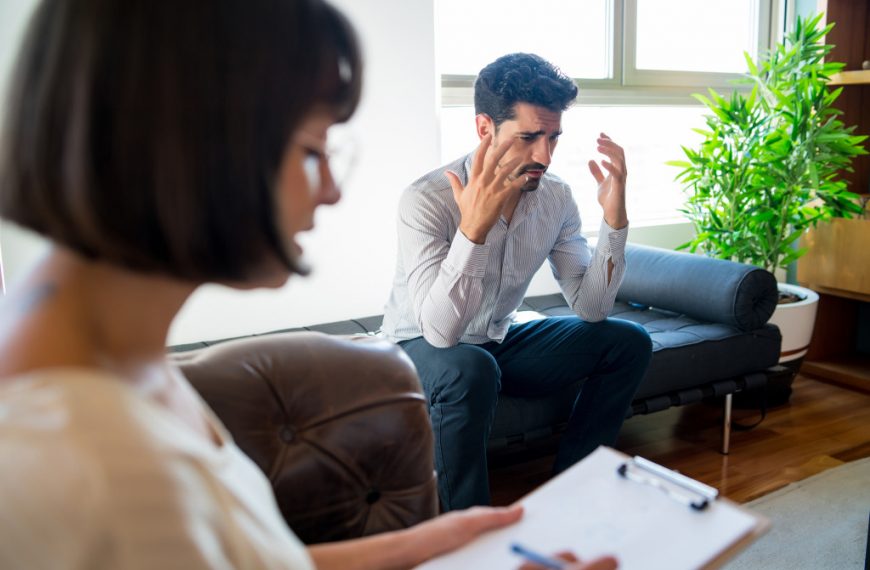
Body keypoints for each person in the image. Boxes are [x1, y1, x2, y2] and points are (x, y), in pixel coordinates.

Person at [0, 2, 617, 568]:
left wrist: (448, 544)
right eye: (311, 150)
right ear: (190, 143)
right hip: (434, 342)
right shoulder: (70, 463)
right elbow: (440, 331)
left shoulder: (131, 370)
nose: (332, 189)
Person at [381, 53, 653, 511]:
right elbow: (441, 333)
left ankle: (576, 488)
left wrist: (614, 220)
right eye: (529, 137)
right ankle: (467, 533)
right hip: (416, 348)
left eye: (553, 137)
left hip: (494, 341)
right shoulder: (425, 200)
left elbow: (591, 309)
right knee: (471, 366)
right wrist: (474, 232)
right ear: (485, 128)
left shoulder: (556, 198)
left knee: (627, 341)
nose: (544, 155)